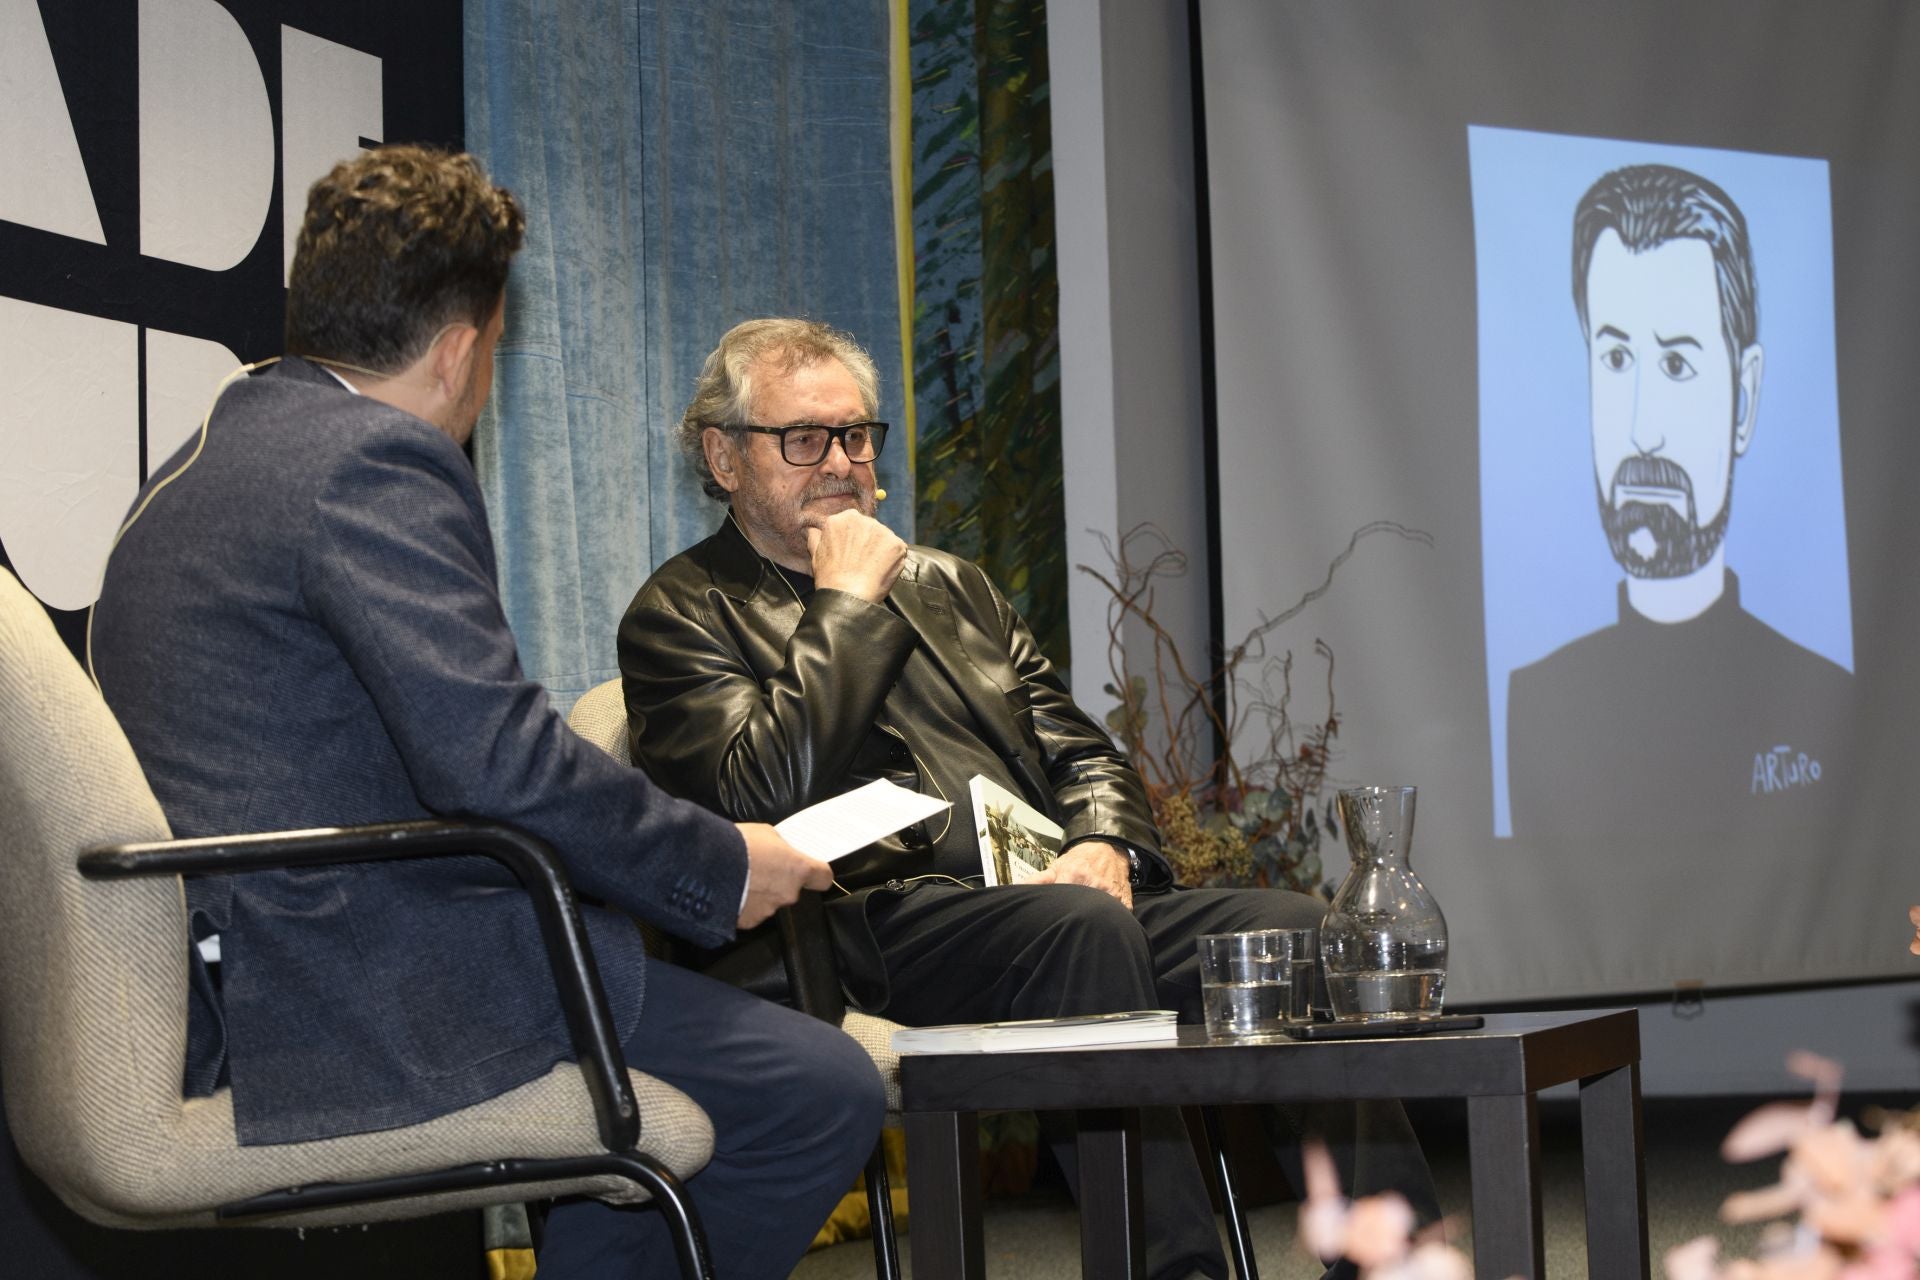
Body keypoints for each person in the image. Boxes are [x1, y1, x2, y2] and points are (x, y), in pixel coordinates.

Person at [89, 148, 883, 1280]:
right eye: (499, 349)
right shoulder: (372, 461)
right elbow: (497, 760)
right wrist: (721, 859)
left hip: (233, 968)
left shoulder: (199, 463)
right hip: (347, 980)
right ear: (462, 347)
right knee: (816, 1087)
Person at [618, 317, 1439, 1280]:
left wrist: (1107, 845)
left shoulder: (950, 586)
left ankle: (1401, 1263)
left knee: (1295, 929)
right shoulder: (678, 615)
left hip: (1044, 902)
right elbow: (755, 794)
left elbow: (1081, 753)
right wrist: (843, 607)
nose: (840, 463)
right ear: (723, 456)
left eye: (857, 435)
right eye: (803, 439)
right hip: (860, 932)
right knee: (1077, 934)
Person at [1507, 163, 1852, 846]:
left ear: (1744, 400)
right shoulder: (1537, 704)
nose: (1642, 428)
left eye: (1676, 364)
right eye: (1614, 360)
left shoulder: (1835, 703)